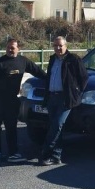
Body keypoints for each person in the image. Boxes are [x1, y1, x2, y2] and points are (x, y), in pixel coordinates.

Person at [0, 39, 46, 164]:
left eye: (12, 48)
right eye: (8, 48)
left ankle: (13, 153)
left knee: (11, 127)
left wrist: (51, 80)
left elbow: (38, 71)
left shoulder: (23, 61)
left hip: (11, 100)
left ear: (18, 49)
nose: (10, 50)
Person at [39, 36, 88, 166]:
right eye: (55, 46)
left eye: (60, 45)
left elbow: (83, 78)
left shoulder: (74, 59)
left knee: (57, 125)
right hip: (52, 97)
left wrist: (76, 93)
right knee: (55, 127)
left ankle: (45, 153)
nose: (58, 48)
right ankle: (56, 156)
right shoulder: (52, 59)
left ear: (66, 46)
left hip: (65, 98)